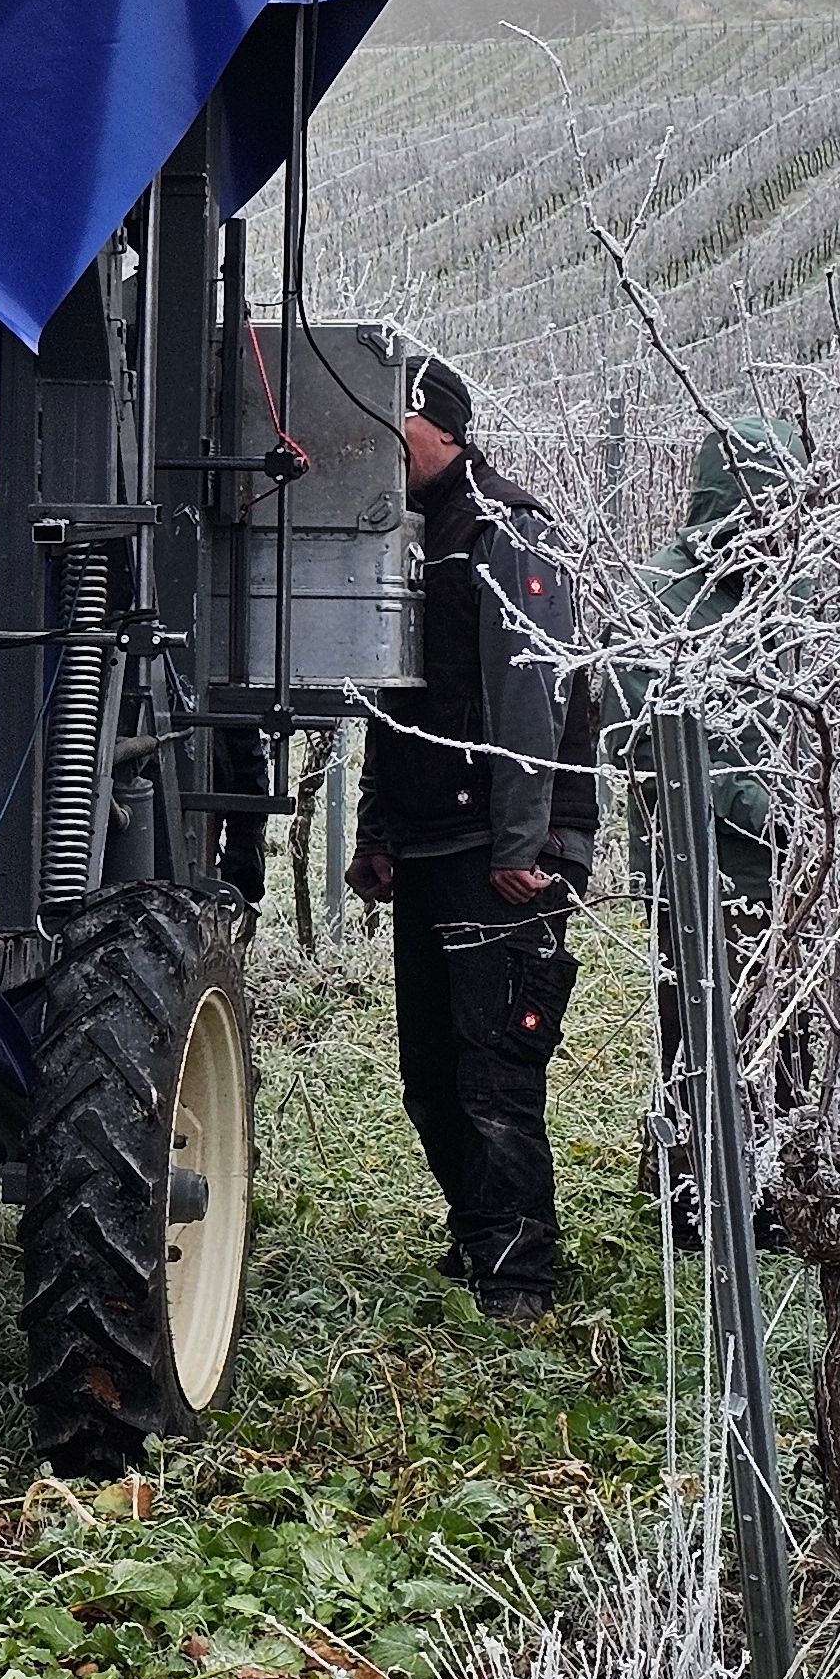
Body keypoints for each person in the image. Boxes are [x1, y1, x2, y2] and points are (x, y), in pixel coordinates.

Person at [349, 357, 600, 1322]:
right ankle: (479, 1234)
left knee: (494, 1065)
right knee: (430, 1069)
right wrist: (379, 829)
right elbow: (392, 700)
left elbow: (529, 697)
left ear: (441, 430)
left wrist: (524, 846)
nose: (377, 445)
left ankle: (521, 1275)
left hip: (497, 850)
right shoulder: (413, 535)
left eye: (395, 425)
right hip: (431, 841)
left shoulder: (503, 531)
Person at [610, 415, 808, 1238]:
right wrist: (764, 808)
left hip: (792, 868)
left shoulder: (789, 594)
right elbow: (643, 737)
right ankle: (697, 1197)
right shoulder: (662, 596)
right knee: (702, 1032)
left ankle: (775, 1186)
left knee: (784, 1030)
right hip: (699, 866)